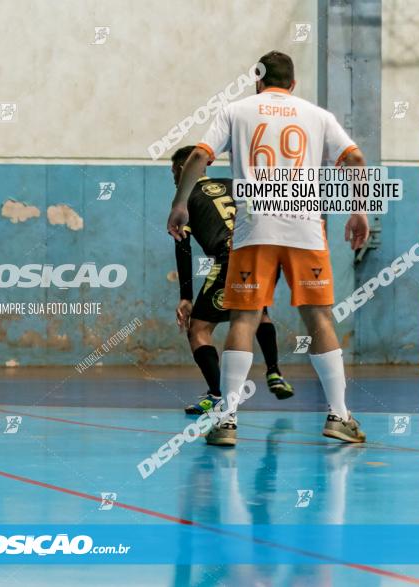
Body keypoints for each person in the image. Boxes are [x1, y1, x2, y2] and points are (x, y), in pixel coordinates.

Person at [167, 51, 370, 445]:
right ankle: (338, 416)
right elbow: (356, 159)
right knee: (320, 319)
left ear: (258, 80)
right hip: (305, 230)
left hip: (254, 228)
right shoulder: (318, 115)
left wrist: (179, 204)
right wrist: (359, 210)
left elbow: (197, 156)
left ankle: (226, 421)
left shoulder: (236, 110)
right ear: (293, 84)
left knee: (243, 320)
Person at [170, 145, 293, 415]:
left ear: (182, 170)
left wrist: (186, 297)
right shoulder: (231, 184)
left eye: (173, 173)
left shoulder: (185, 197)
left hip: (229, 258)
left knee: (198, 330)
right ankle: (274, 371)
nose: (174, 180)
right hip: (263, 253)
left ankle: (218, 396)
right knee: (257, 313)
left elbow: (183, 246)